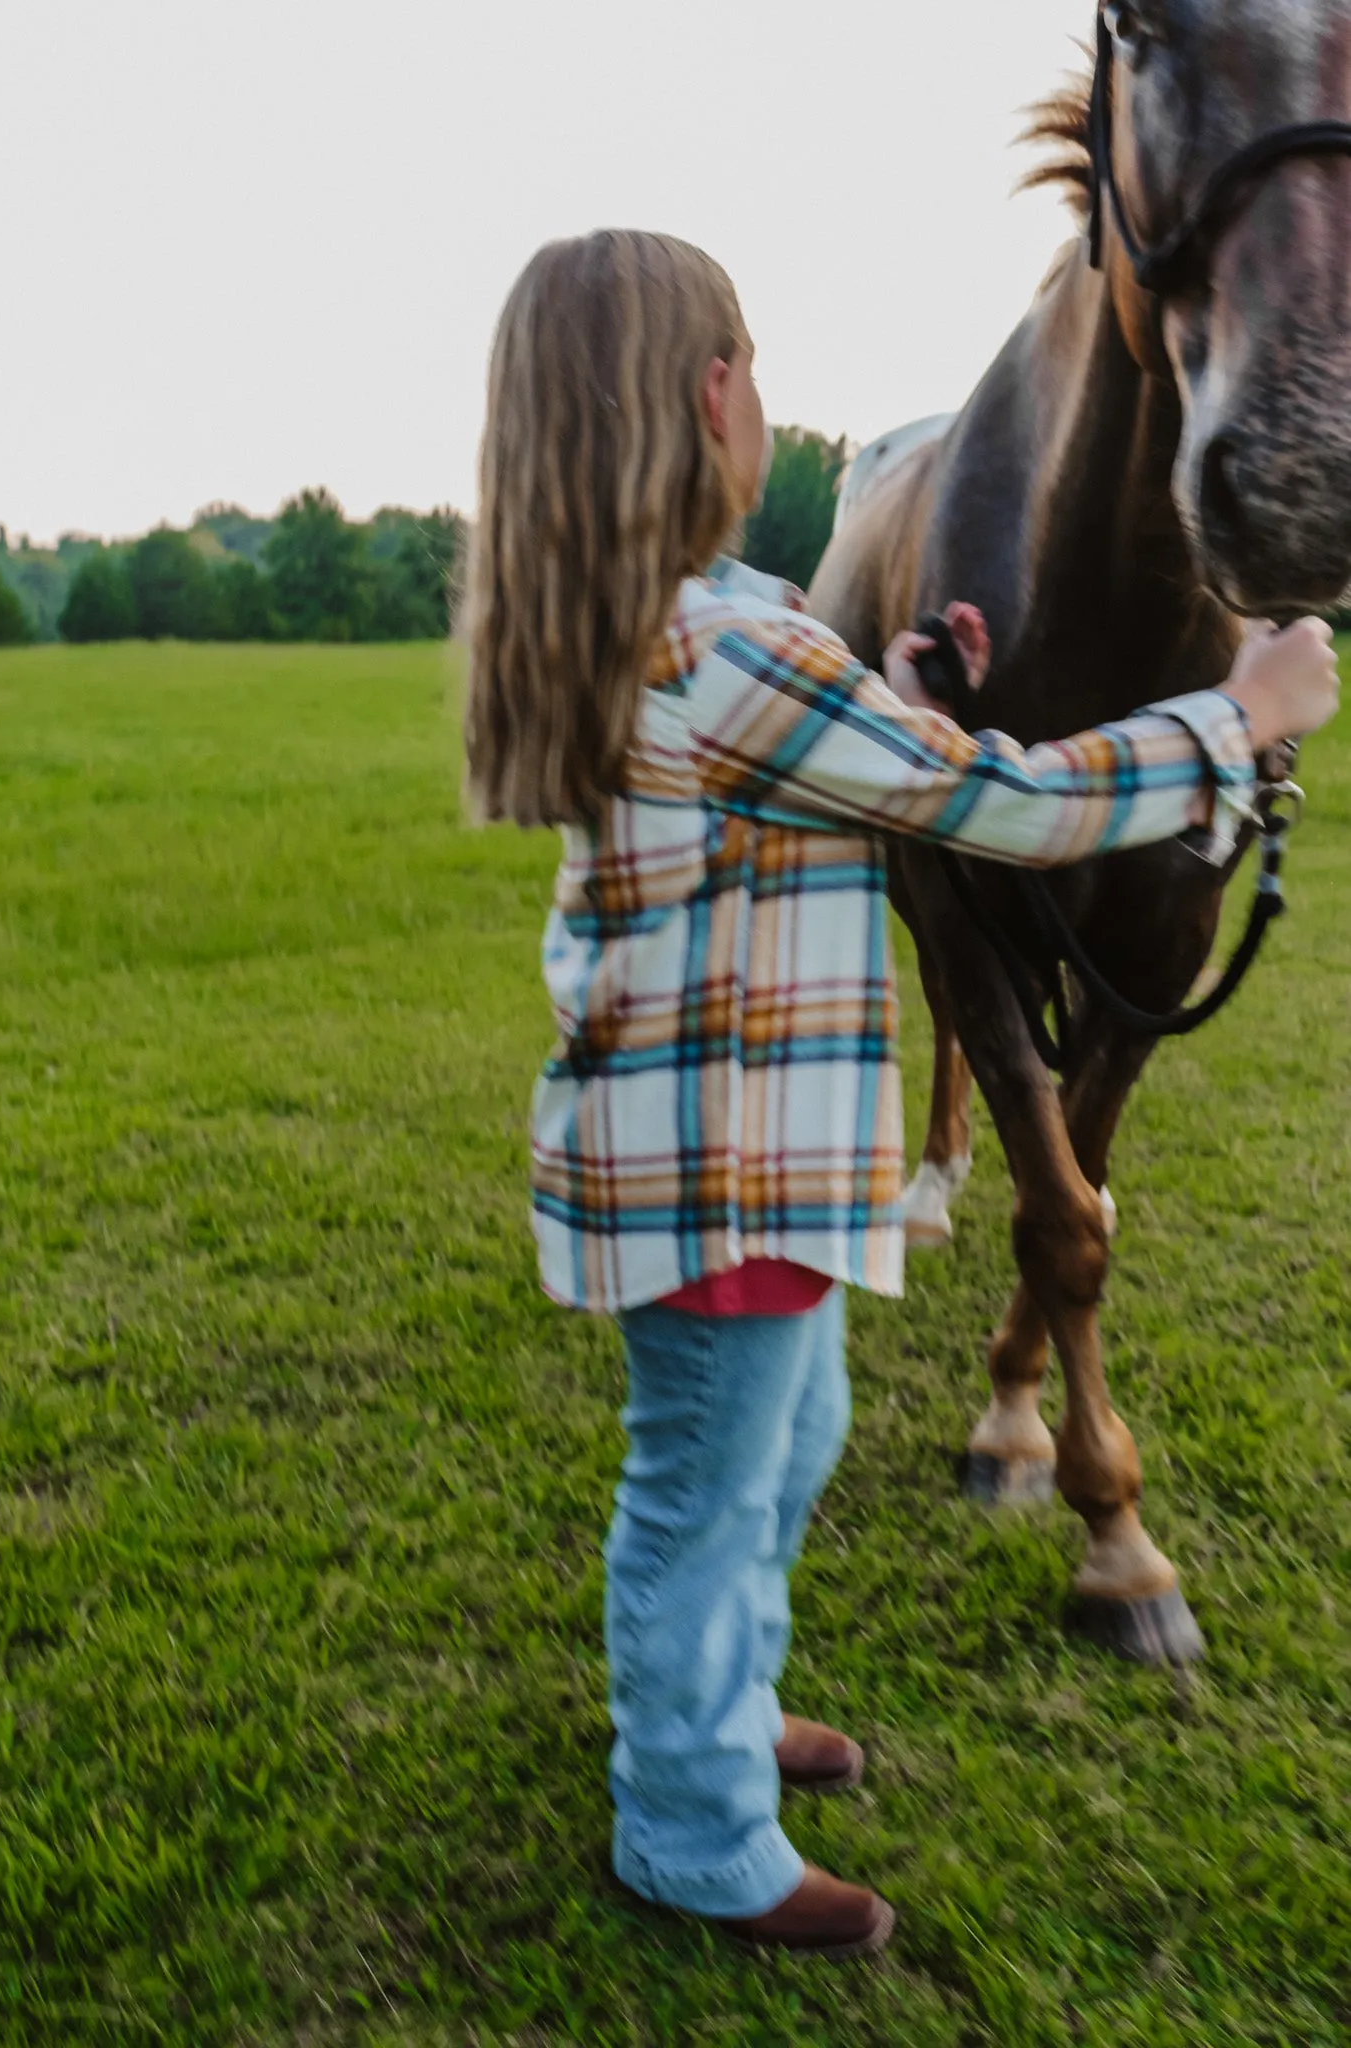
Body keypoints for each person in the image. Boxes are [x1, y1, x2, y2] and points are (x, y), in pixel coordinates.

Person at [463, 229, 1340, 1960]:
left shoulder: (687, 639)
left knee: (781, 1450)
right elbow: (995, 806)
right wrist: (1232, 721)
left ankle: (713, 1710)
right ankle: (692, 1825)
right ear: (712, 400)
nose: (768, 395)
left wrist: (907, 690)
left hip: (706, 1163)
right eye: (756, 361)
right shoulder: (734, 651)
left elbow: (828, 765)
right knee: (710, 1489)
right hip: (727, 1177)